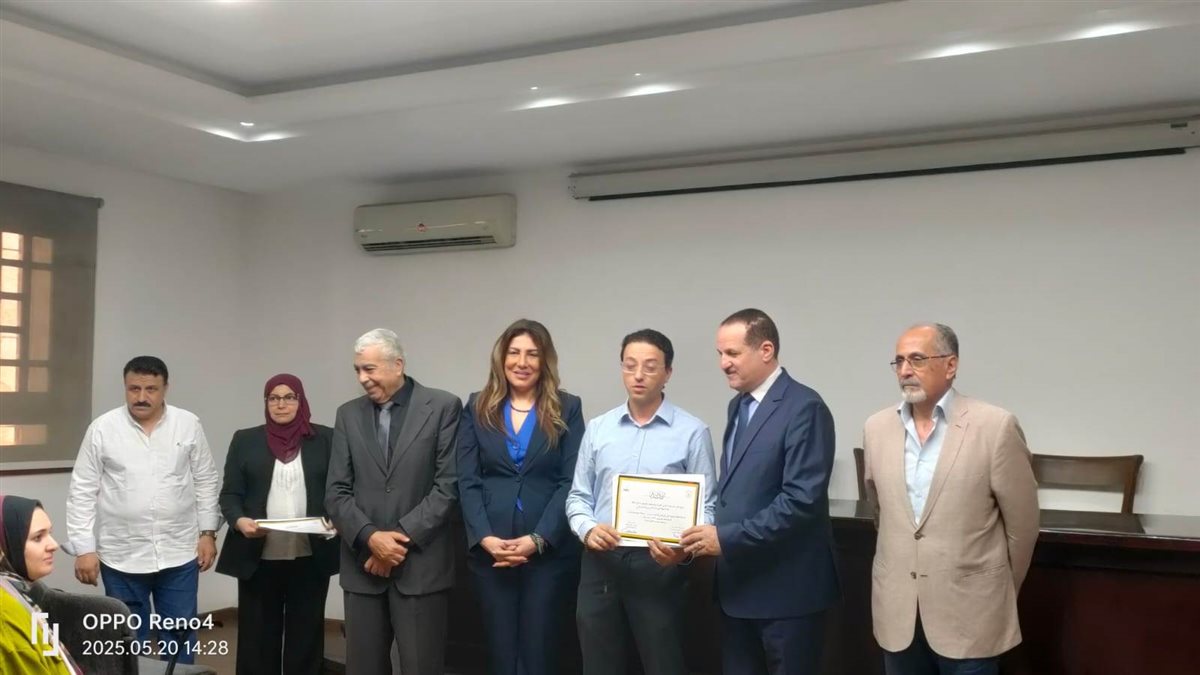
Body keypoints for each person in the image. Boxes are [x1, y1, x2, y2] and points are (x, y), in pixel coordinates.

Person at [862, 323, 1039, 675]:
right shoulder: (876, 428)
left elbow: (1023, 526)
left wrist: (998, 591)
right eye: (899, 361)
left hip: (971, 615)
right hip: (898, 615)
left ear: (951, 365)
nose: (905, 370)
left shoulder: (995, 426)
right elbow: (882, 512)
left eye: (917, 359)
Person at [681, 308, 839, 675]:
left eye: (732, 353)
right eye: (720, 353)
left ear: (766, 350)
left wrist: (726, 539)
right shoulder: (738, 406)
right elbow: (737, 493)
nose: (723, 363)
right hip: (738, 590)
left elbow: (800, 502)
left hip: (788, 594)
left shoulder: (805, 407)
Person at [566, 329, 717, 675]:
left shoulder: (692, 432)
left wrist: (683, 549)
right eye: (629, 365)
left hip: (659, 564)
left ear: (668, 373)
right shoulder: (599, 428)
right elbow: (578, 496)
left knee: (664, 663)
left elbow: (708, 507)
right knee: (598, 664)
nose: (638, 375)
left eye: (650, 366)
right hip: (602, 560)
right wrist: (588, 530)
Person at [65, 356, 220, 664]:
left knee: (178, 639)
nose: (141, 397)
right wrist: (84, 549)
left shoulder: (188, 424)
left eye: (151, 389)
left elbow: (206, 479)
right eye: (134, 388)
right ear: (125, 387)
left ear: (165, 389)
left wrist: (208, 533)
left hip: (179, 553)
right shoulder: (103, 429)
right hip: (121, 556)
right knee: (127, 641)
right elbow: (81, 489)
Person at [325, 328, 462, 675]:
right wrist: (371, 538)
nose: (362, 378)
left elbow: (448, 486)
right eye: (357, 370)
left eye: (369, 369)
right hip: (363, 568)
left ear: (397, 364)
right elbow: (336, 491)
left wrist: (394, 543)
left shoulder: (443, 407)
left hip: (420, 569)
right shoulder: (347, 414)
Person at [457, 319, 585, 675]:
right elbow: (467, 479)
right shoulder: (477, 406)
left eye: (532, 354)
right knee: (500, 651)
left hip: (547, 554)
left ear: (545, 361)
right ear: (502, 358)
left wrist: (538, 539)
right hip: (492, 552)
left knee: (540, 652)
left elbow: (571, 481)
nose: (522, 362)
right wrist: (485, 538)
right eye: (514, 353)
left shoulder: (568, 407)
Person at [216, 373, 339, 675]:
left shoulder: (326, 439)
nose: (281, 404)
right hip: (257, 556)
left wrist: (336, 519)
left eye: (289, 397)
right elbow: (230, 494)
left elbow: (340, 489)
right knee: (257, 638)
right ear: (266, 402)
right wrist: (239, 520)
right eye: (273, 398)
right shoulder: (245, 440)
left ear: (301, 400)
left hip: (310, 555)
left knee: (306, 636)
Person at [0, 494, 81, 674]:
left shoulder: (17, 592)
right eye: (38, 537)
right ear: (6, 545)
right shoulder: (5, 617)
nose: (54, 545)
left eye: (49, 533)